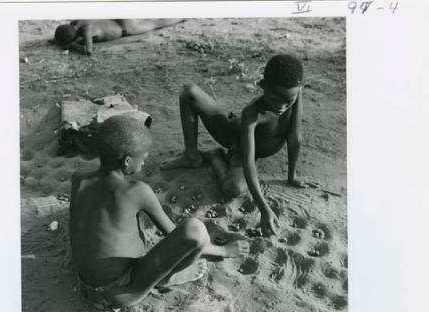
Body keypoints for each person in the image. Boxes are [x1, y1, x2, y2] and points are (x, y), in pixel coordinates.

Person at [70, 115, 249, 309]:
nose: (144, 164)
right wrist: (223, 251)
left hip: (85, 283)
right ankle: (167, 278)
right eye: (143, 159)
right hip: (122, 290)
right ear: (127, 161)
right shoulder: (136, 191)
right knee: (195, 229)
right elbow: (179, 237)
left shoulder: (79, 178)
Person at [161, 54, 309, 235]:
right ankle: (200, 156)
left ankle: (213, 155)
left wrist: (291, 176)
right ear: (262, 86)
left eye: (288, 101)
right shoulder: (253, 113)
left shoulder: (294, 92)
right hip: (234, 138)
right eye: (275, 99)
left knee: (235, 186)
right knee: (233, 188)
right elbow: (248, 162)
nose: (282, 106)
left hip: (246, 134)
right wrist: (264, 208)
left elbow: (295, 136)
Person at [53, 19, 184, 55]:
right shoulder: (76, 22)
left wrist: (73, 45)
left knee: (156, 23)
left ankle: (182, 17)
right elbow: (61, 35)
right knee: (152, 20)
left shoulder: (87, 30)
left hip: (124, 29)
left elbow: (89, 51)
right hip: (116, 19)